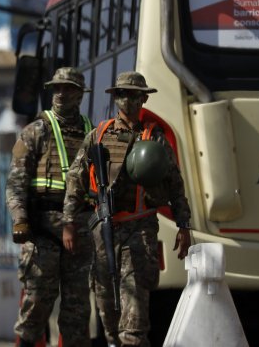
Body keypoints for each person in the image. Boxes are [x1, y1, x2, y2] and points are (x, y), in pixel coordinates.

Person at [63, 71, 192, 347]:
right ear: (115, 98)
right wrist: (69, 222)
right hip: (102, 231)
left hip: (139, 231)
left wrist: (184, 225)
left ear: (144, 98)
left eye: (134, 95)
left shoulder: (153, 138)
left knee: (133, 323)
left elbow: (175, 183)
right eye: (123, 94)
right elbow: (76, 178)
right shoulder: (98, 135)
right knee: (108, 314)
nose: (128, 100)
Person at [6, 67, 95, 347]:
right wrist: (20, 219)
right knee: (37, 303)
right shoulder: (35, 131)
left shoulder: (91, 133)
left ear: (80, 94)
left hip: (79, 229)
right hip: (42, 229)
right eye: (56, 88)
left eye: (67, 88)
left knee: (77, 308)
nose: (60, 94)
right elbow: (16, 183)